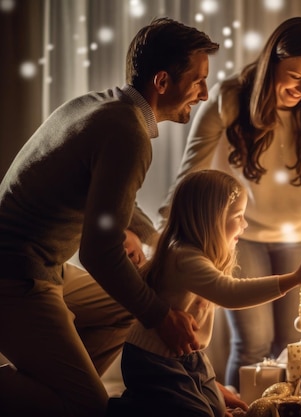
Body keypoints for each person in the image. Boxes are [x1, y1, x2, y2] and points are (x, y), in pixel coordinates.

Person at [0, 17, 219, 417]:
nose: (204, 93)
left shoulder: (104, 107)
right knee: (89, 406)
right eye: (198, 80)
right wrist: (160, 317)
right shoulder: (128, 134)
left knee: (126, 308)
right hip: (16, 275)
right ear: (163, 81)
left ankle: (55, 386)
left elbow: (114, 197)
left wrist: (157, 242)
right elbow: (99, 253)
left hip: (40, 266)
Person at [158, 16, 301, 391]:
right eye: (296, 76)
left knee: (297, 348)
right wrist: (164, 233)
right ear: (272, 63)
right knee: (253, 344)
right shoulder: (229, 96)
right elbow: (191, 170)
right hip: (242, 232)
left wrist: (292, 227)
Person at [112, 169, 301, 417]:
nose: (244, 225)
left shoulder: (195, 255)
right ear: (211, 219)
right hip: (156, 360)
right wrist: (295, 279)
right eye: (238, 216)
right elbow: (230, 293)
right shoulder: (184, 257)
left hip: (189, 356)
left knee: (216, 408)